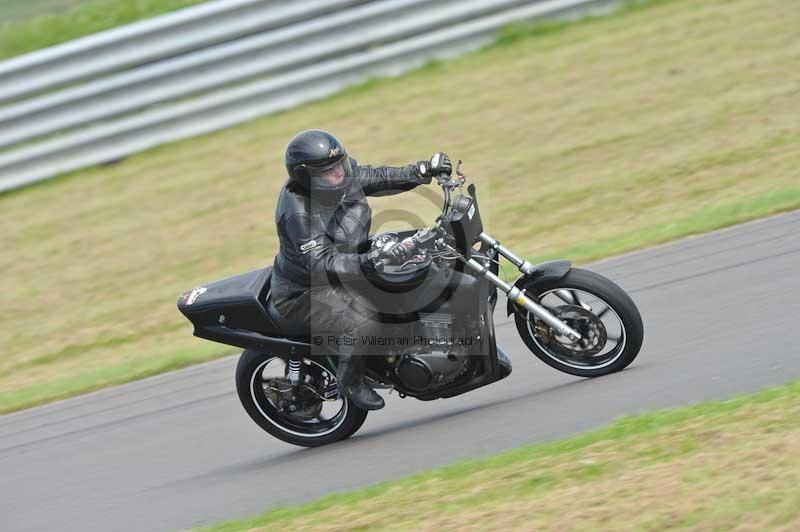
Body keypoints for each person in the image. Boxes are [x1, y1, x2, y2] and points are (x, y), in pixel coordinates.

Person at [270, 129, 451, 410]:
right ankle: (350, 381)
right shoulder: (298, 213)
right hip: (306, 291)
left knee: (414, 271)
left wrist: (421, 170)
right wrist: (371, 261)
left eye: (340, 165)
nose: (340, 173)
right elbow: (322, 264)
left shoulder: (340, 176)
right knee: (360, 320)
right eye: (329, 172)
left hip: (350, 259)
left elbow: (376, 177)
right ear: (306, 177)